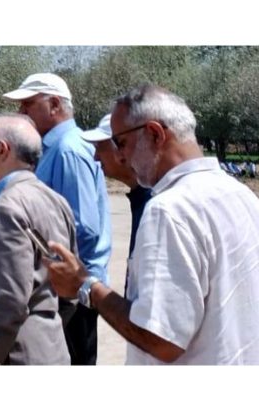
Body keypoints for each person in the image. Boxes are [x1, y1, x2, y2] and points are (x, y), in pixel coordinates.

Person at [47, 84, 259, 364]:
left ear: (155, 134)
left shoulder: (169, 209)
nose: (118, 156)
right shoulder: (241, 194)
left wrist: (85, 286)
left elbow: (161, 339)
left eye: (120, 143)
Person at [3, 72, 111, 365]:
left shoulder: (68, 151)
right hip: (65, 289)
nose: (21, 113)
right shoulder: (57, 148)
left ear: (53, 104)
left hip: (71, 294)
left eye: (27, 104)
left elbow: (82, 227)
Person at [0, 113, 75, 365]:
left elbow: (11, 300)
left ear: (2, 150)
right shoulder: (56, 200)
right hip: (50, 346)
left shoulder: (8, 207)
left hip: (16, 354)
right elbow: (69, 292)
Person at [81, 114, 152, 259]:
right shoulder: (141, 196)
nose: (96, 157)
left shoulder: (153, 202)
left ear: (121, 147)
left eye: (100, 147)